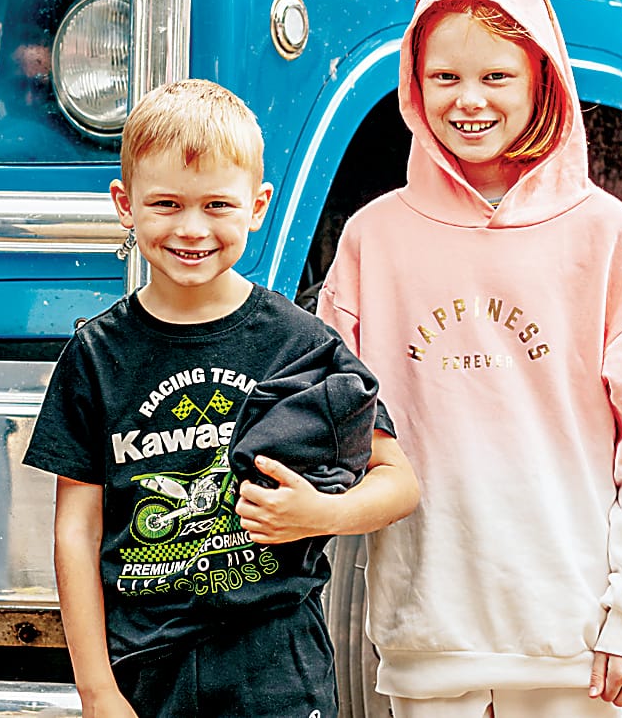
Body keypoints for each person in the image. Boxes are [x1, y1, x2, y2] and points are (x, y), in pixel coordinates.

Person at [318, 0, 622, 718]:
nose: (470, 100)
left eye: (497, 76)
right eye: (445, 77)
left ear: (544, 79)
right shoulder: (373, 240)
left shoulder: (603, 236)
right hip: (429, 640)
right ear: (413, 85)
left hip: (575, 643)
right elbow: (325, 424)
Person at [24, 79, 420, 718]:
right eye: (167, 204)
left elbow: (399, 482)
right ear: (125, 203)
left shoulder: (301, 343)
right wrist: (96, 688)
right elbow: (76, 527)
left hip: (279, 663)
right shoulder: (96, 357)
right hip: (146, 669)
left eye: (217, 205)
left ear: (258, 205)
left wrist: (321, 514)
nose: (191, 228)